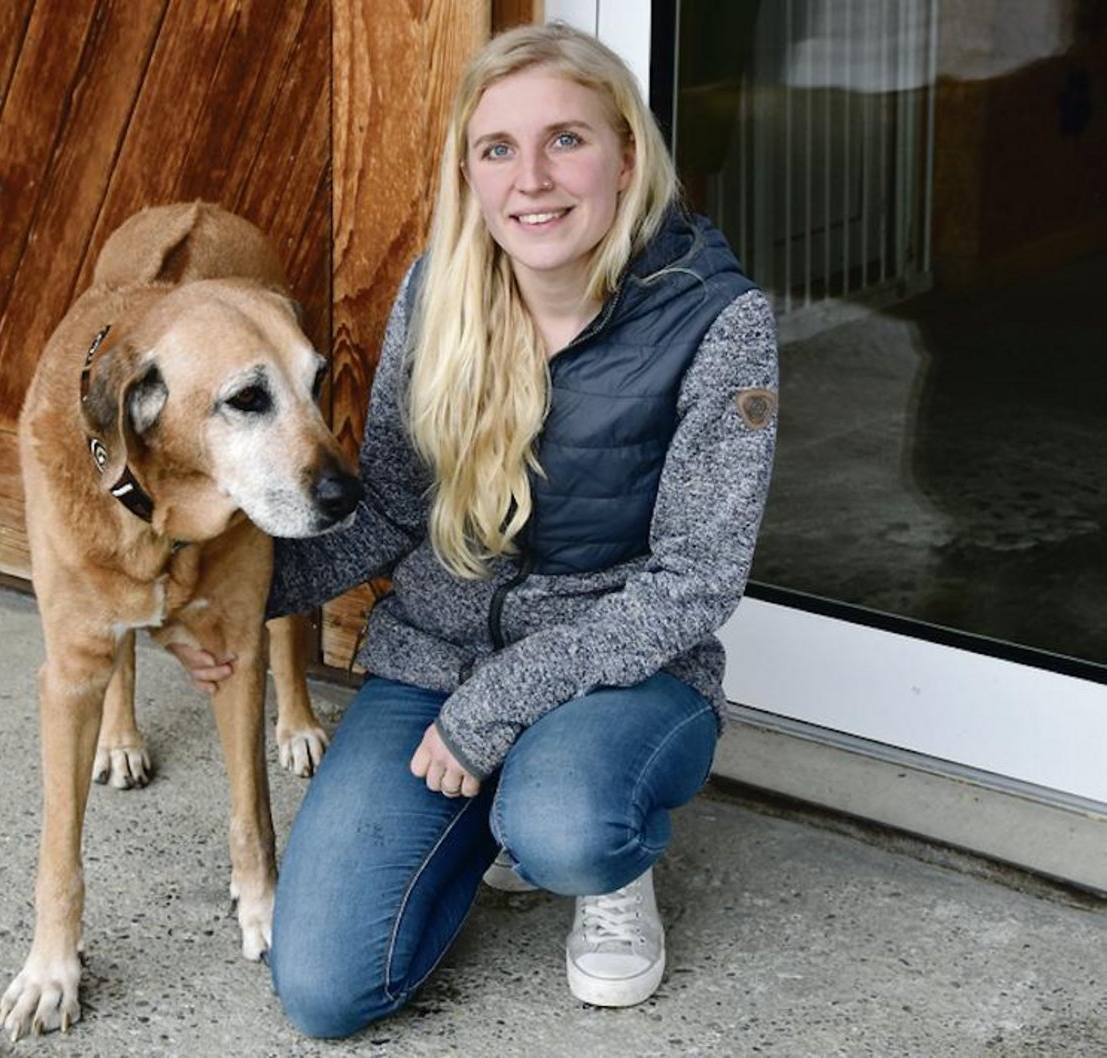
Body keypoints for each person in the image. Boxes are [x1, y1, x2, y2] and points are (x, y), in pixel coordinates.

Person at [175, 21, 778, 1037]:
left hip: (623, 667)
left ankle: (600, 857)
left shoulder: (716, 319)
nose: (531, 180)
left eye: (566, 140)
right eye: (496, 148)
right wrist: (234, 594)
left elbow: (693, 581)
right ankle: (493, 800)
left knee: (563, 827)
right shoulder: (441, 285)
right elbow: (398, 504)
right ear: (468, 169)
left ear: (626, 152)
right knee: (324, 988)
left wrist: (494, 706)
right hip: (434, 653)